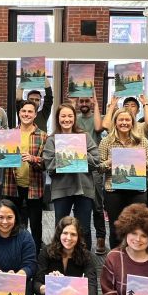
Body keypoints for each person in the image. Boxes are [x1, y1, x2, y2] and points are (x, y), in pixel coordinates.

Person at [42, 103, 100, 250]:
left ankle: (85, 259)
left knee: (84, 228)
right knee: (61, 228)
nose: (66, 119)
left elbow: (96, 161)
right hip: (61, 189)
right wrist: (65, 157)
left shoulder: (84, 136)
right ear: (57, 118)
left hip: (84, 189)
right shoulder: (52, 139)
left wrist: (81, 154)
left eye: (70, 116)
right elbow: (49, 165)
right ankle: (58, 258)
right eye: (63, 116)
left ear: (74, 118)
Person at [98, 108, 148, 249]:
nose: (124, 122)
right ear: (115, 122)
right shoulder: (106, 142)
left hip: (137, 190)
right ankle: (115, 260)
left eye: (127, 120)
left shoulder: (142, 141)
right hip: (113, 190)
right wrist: (111, 162)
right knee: (115, 227)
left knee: (137, 227)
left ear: (132, 122)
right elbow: (98, 167)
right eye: (121, 120)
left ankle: (134, 259)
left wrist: (137, 160)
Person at [0, 100, 47, 255]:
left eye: (30, 112)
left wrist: (34, 159)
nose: (26, 114)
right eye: (23, 111)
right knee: (13, 220)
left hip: (34, 186)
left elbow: (47, 163)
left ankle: (36, 252)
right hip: (12, 184)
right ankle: (13, 250)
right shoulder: (9, 134)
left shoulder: (43, 136)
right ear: (19, 113)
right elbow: (0, 159)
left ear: (35, 114)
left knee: (35, 223)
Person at [72, 93, 107, 255]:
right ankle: (80, 241)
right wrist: (72, 104)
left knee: (97, 204)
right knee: (81, 205)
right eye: (81, 101)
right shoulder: (75, 118)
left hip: (93, 166)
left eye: (87, 101)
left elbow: (99, 128)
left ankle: (100, 237)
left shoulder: (96, 118)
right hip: (77, 168)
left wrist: (95, 102)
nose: (84, 103)